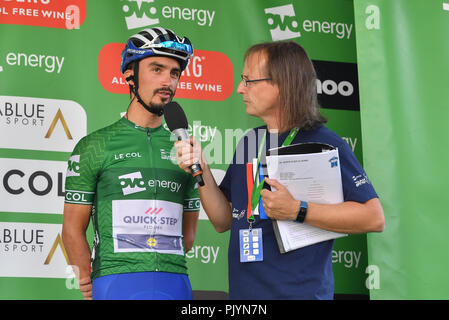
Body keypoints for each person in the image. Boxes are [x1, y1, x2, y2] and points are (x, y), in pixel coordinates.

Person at [175, 41, 385, 299]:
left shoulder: (324, 143)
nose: (240, 88)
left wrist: (298, 210)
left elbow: (373, 217)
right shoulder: (250, 141)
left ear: (282, 84)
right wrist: (203, 168)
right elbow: (222, 220)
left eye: (248, 80)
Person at [62, 27, 200, 300]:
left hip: (175, 280)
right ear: (130, 75)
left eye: (174, 73)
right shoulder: (95, 145)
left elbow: (189, 234)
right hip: (116, 281)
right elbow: (71, 229)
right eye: (157, 69)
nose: (168, 82)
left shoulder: (186, 148)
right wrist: (87, 281)